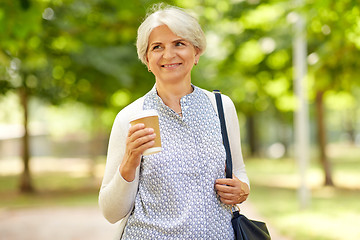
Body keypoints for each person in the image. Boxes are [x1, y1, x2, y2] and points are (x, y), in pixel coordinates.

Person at [99, 4, 250, 240]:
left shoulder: (221, 107)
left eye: (179, 43)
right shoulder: (131, 117)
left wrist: (243, 189)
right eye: (157, 47)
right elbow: (111, 212)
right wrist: (129, 161)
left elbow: (238, 171)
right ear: (147, 60)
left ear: (196, 52)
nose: (168, 55)